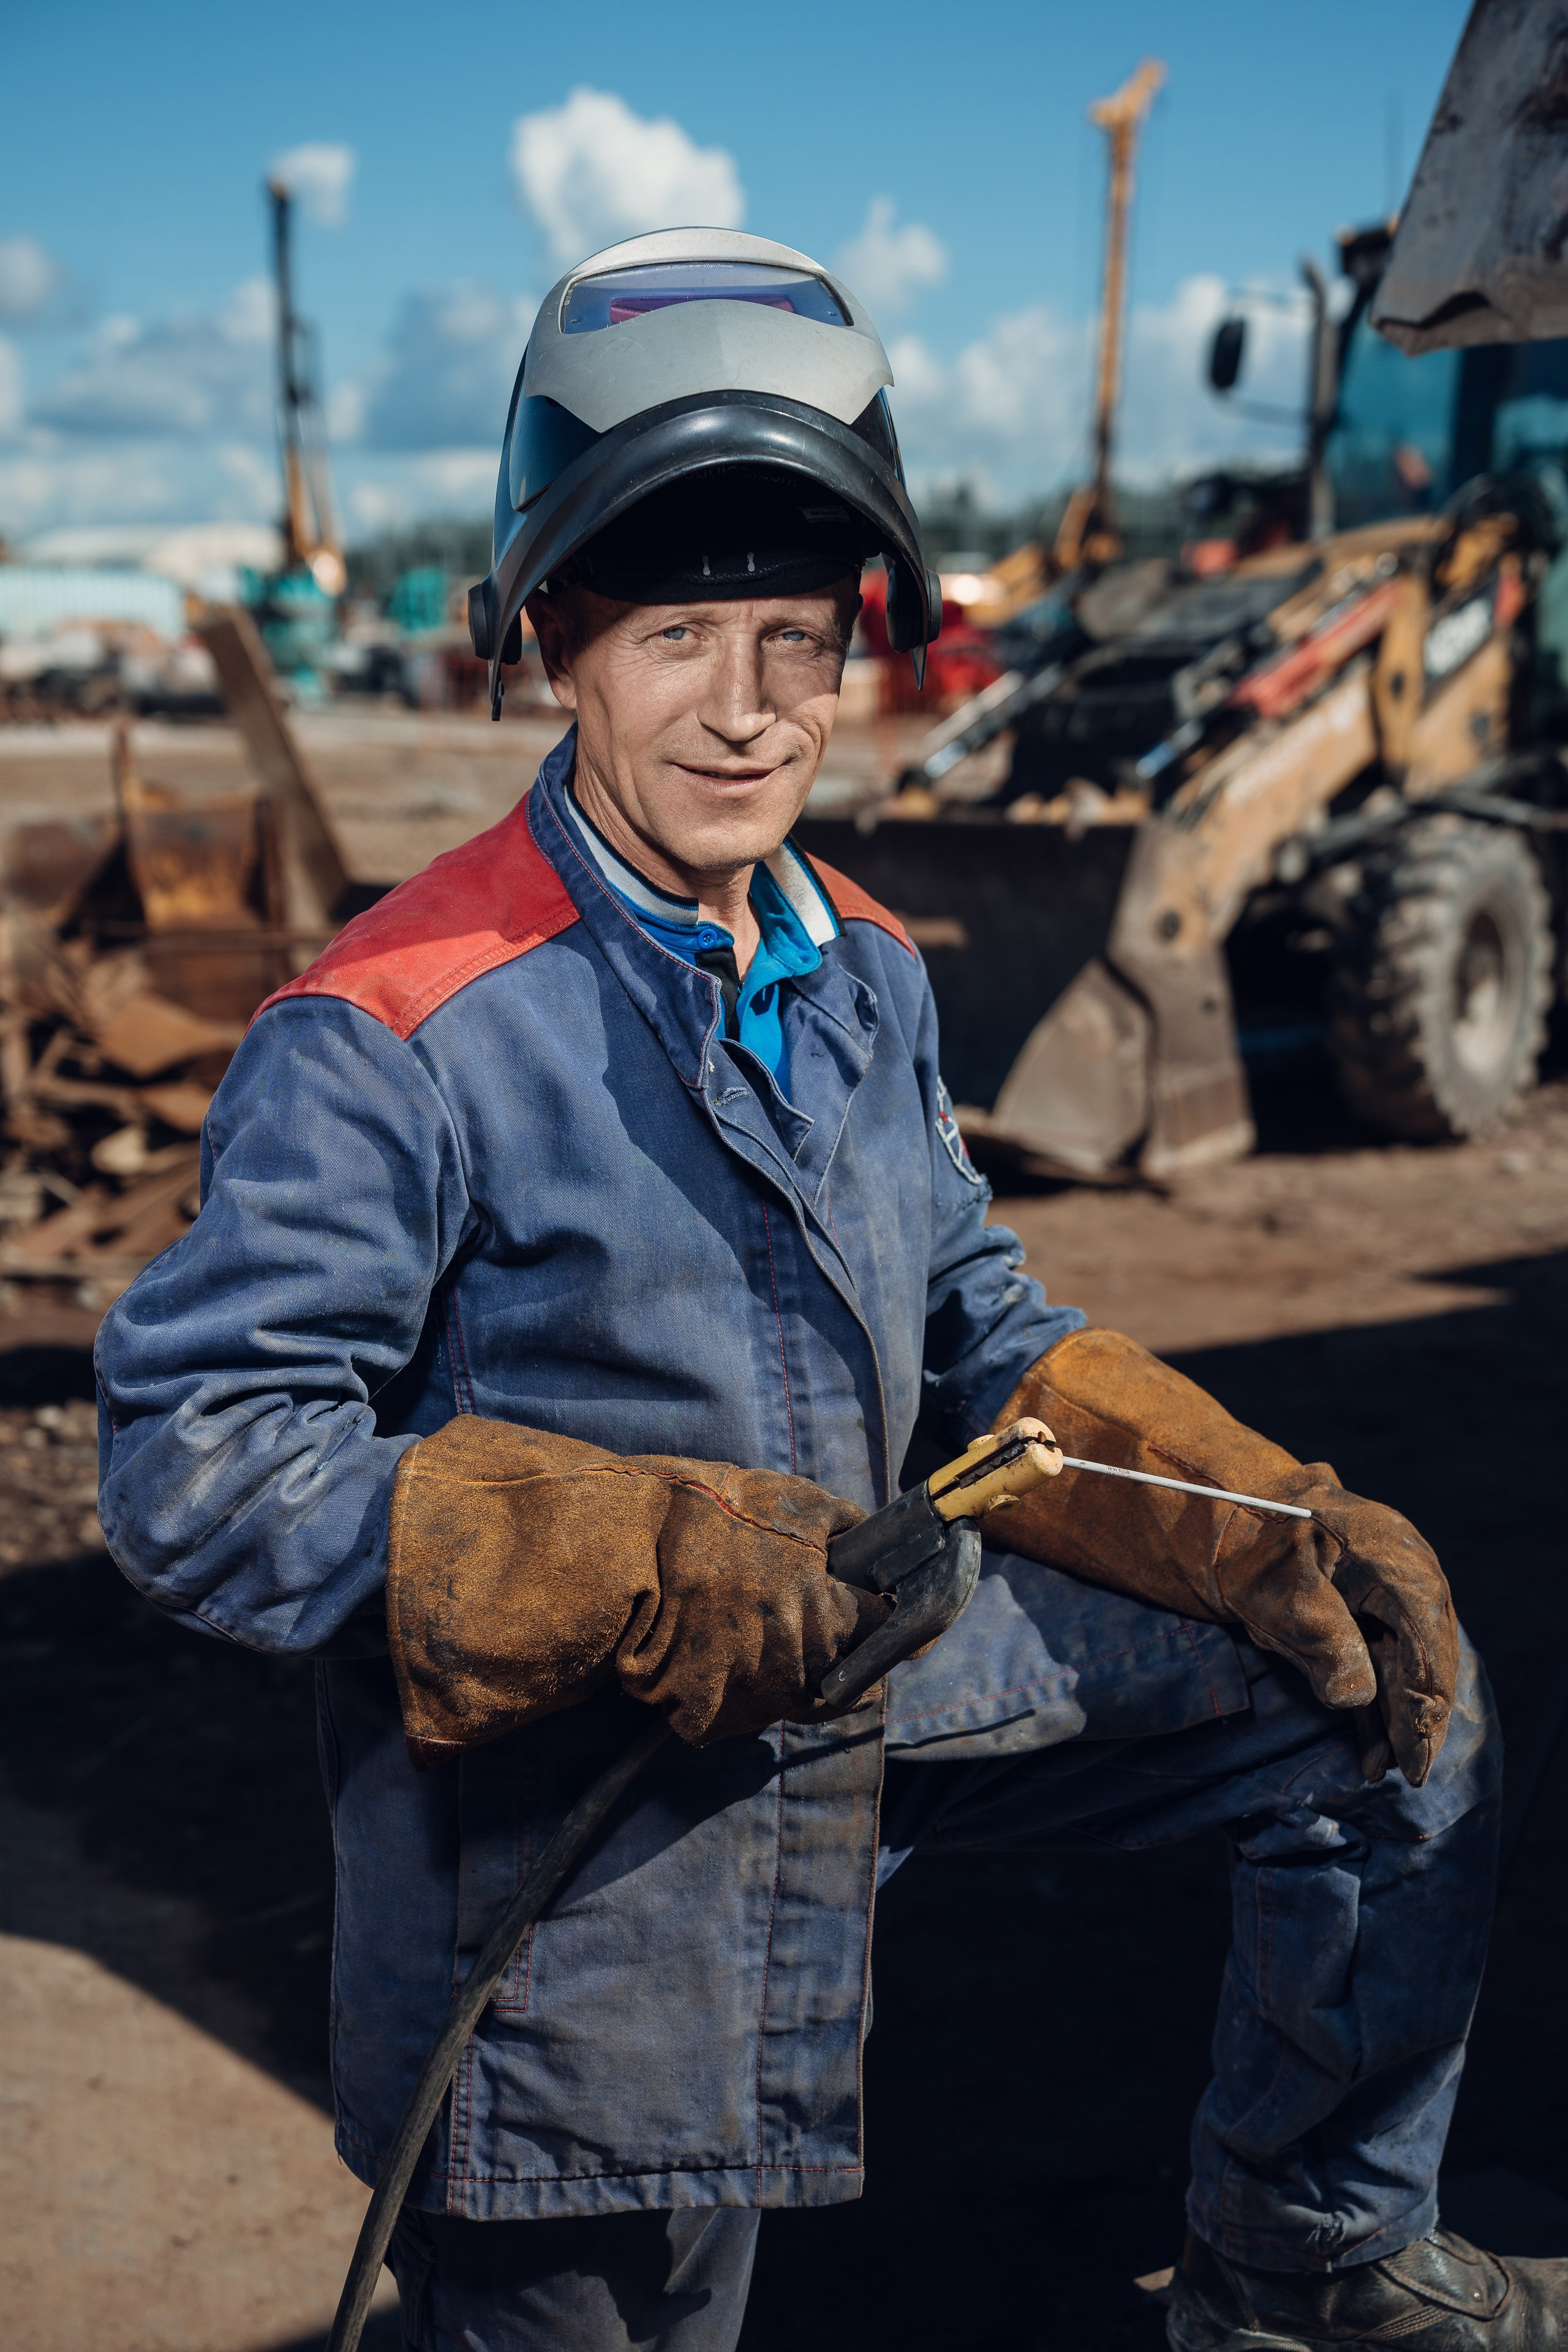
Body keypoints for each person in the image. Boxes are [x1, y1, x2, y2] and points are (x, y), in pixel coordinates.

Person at [97, 230, 1563, 2352]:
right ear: (557, 641)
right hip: (589, 1827)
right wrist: (625, 1557)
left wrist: (1236, 1506)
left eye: (798, 636)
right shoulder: (401, 1023)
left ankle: (1306, 2256)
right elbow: (198, 1461)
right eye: (681, 632)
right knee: (623, 2279)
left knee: (1382, 1693)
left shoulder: (858, 962)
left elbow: (970, 1297)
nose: (750, 706)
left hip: (879, 1654)